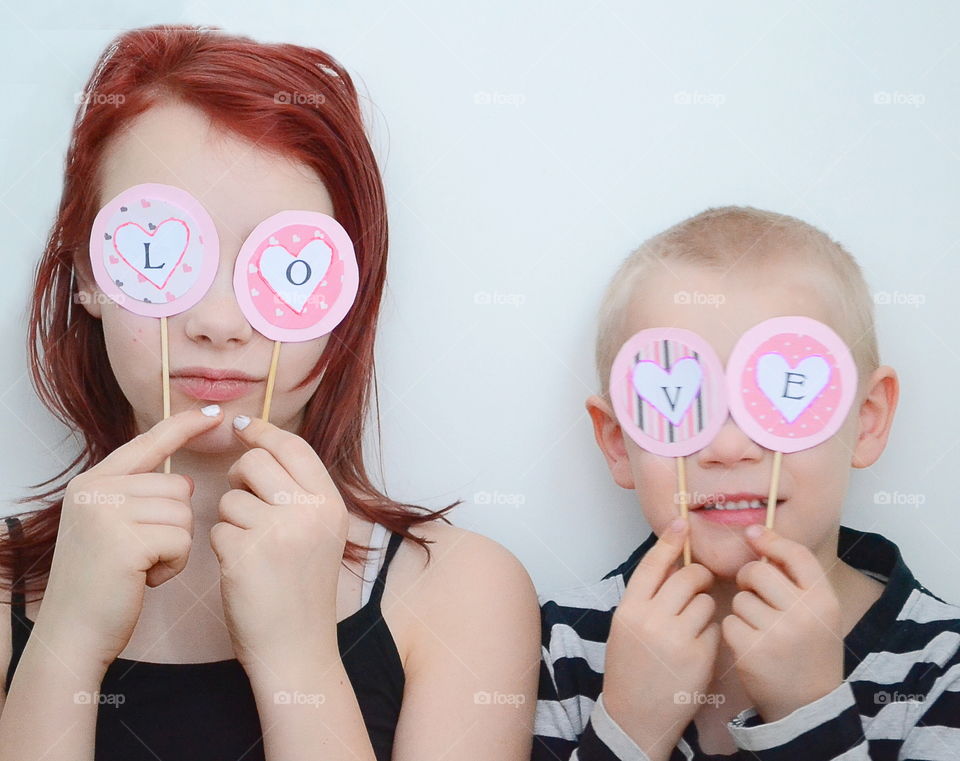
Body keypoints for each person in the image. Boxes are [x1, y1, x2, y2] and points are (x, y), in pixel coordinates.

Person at [0, 24, 539, 761]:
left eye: (284, 263)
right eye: (161, 249)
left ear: (344, 289)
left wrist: (298, 657)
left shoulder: (462, 592)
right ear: (89, 275)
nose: (217, 322)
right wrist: (66, 641)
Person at [533, 206, 960, 760]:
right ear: (618, 442)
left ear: (868, 420)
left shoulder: (940, 670)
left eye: (785, 395)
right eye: (682, 405)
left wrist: (808, 712)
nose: (730, 447)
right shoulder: (554, 648)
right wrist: (630, 727)